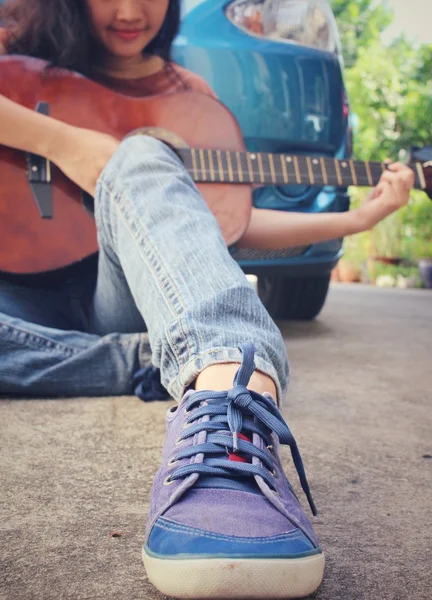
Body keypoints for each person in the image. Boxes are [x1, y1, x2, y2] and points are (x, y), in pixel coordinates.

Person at [0, 1, 414, 598]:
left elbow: (225, 224)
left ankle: (228, 387)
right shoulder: (22, 47)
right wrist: (65, 142)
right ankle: (141, 360)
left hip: (117, 295)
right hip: (21, 302)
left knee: (142, 153)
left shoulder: (185, 95)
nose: (128, 9)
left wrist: (360, 219)